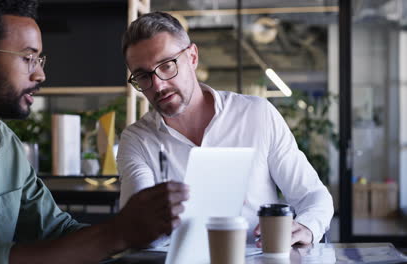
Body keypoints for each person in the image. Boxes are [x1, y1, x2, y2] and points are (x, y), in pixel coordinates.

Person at [0, 1, 189, 263]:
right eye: (28, 58)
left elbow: (55, 231)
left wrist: (145, 242)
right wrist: (119, 233)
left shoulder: (6, 144)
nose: (40, 74)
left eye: (39, 60)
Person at [117, 11, 334, 246]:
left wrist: (306, 226)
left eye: (167, 65)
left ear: (192, 57)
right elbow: (136, 228)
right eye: (142, 76)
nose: (158, 84)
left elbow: (313, 196)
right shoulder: (137, 140)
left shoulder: (257, 115)